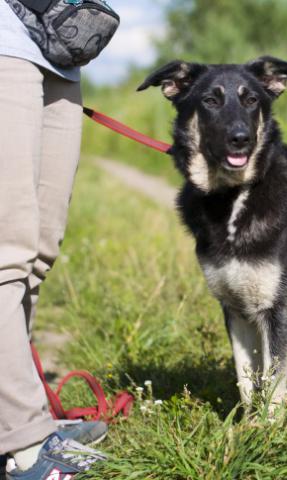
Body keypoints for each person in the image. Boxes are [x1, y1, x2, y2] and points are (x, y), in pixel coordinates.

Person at [0, 1, 109, 478]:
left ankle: (19, 416)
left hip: (60, 53)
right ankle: (23, 440)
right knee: (6, 254)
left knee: (39, 253)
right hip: (5, 44)